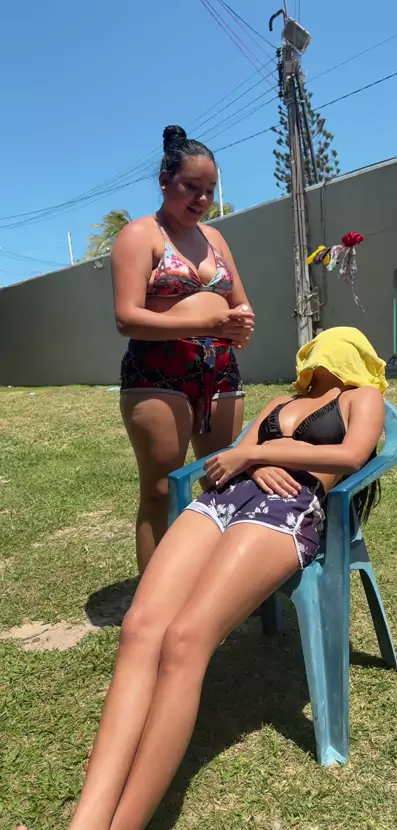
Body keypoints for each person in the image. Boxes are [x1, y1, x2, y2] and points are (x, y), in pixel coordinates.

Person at [13, 327, 388, 830]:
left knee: (186, 640)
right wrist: (250, 458)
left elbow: (351, 455)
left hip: (287, 508)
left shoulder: (362, 397)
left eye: (336, 341)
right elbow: (230, 458)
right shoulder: (281, 402)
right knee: (141, 627)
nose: (322, 348)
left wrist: (260, 454)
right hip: (223, 498)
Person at [113, 124, 255, 575]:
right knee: (160, 490)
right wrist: (206, 323)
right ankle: (154, 599)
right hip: (158, 375)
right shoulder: (141, 235)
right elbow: (127, 318)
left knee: (224, 481)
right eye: (191, 187)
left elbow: (240, 301)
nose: (202, 199)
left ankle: (212, 586)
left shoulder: (215, 239)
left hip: (221, 373)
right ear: (164, 180)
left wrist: (242, 322)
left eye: (209, 190)